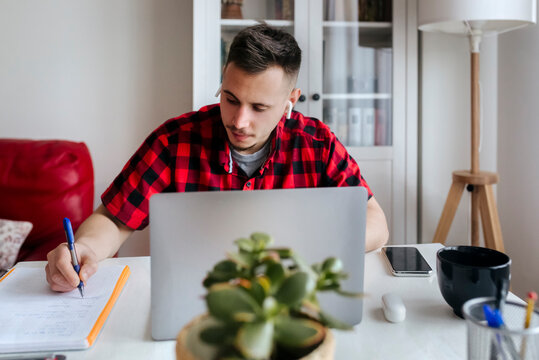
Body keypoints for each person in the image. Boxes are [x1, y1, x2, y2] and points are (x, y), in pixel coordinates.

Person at [46, 24, 389, 293]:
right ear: (223, 80)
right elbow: (116, 218)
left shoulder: (318, 144)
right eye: (231, 98)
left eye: (259, 108)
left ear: (291, 100)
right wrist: (86, 248)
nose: (239, 121)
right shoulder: (174, 141)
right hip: (194, 297)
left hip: (290, 297)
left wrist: (310, 247)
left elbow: (375, 222)